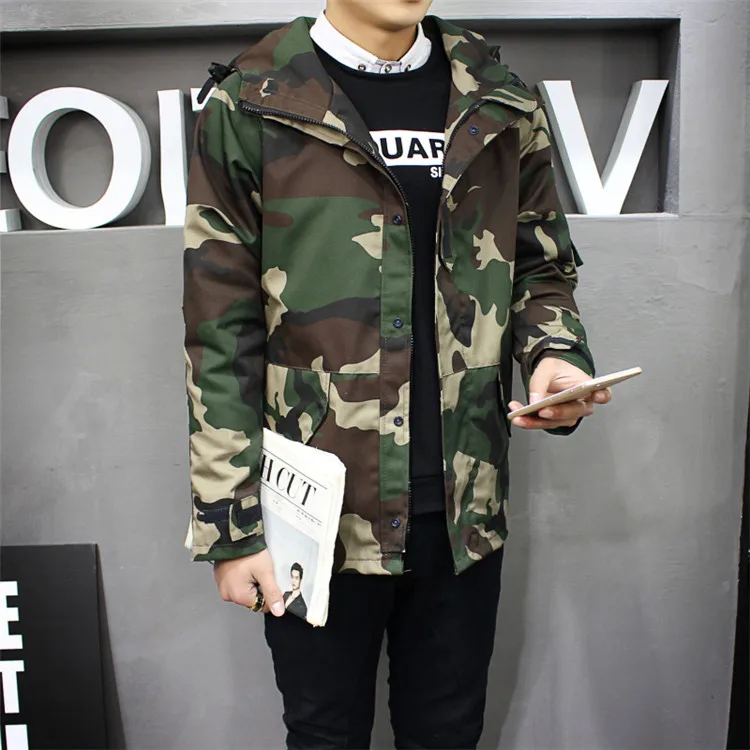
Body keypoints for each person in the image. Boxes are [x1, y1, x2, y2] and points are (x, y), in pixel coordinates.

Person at [182, 0, 612, 747]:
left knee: (449, 734)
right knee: (324, 734)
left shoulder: (497, 97)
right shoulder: (253, 100)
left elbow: (539, 265)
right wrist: (230, 526)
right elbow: (219, 326)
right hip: (318, 513)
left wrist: (554, 357)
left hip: (462, 507)